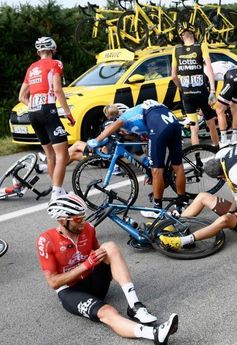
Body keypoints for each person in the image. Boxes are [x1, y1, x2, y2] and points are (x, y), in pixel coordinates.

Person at [37, 194, 179, 344]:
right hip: (72, 291)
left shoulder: (88, 229)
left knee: (109, 246)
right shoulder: (46, 240)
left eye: (84, 217)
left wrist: (109, 269)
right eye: (78, 219)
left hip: (93, 281)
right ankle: (155, 334)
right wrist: (86, 265)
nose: (83, 222)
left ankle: (135, 306)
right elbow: (53, 282)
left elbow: (103, 255)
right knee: (107, 312)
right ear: (62, 220)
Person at [87, 100, 186, 218]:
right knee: (178, 166)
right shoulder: (139, 112)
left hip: (159, 127)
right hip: (173, 122)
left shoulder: (126, 116)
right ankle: (181, 204)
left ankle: (157, 210)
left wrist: (96, 140)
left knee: (157, 171)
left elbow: (115, 125)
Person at [18, 37, 76, 201]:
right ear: (53, 50)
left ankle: (57, 189)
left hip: (33, 112)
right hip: (47, 110)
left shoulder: (31, 67)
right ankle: (57, 194)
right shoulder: (55, 64)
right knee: (62, 156)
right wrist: (68, 113)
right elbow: (57, 90)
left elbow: (21, 96)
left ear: (38, 52)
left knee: (50, 155)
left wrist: (34, 106)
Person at [171, 22, 219, 146]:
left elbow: (173, 76)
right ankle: (217, 150)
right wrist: (213, 90)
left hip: (187, 93)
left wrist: (181, 88)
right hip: (202, 92)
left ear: (181, 36)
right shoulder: (201, 46)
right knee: (211, 122)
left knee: (193, 126)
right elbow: (209, 68)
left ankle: (197, 157)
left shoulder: (176, 49)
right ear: (194, 34)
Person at [211, 60, 237, 148]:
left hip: (231, 79)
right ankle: (234, 139)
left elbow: (209, 87)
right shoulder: (219, 63)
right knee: (234, 109)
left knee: (219, 109)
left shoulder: (206, 69)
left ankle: (224, 140)